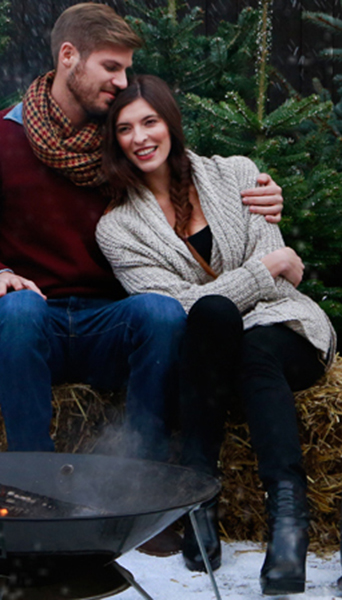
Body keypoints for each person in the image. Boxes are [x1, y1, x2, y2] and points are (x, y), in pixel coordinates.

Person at [0, 2, 284, 463]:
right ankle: (30, 474)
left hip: (111, 322)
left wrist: (257, 190)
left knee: (160, 312)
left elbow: (188, 175)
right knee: (18, 308)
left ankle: (143, 475)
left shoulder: (122, 140)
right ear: (69, 57)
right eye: (111, 67)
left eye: (126, 69)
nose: (122, 82)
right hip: (29, 322)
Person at [96, 74, 335, 595]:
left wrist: (253, 280)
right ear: (115, 141)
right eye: (125, 129)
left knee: (248, 344)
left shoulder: (238, 175)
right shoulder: (117, 228)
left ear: (170, 122)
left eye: (150, 122)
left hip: (283, 327)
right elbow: (176, 306)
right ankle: (221, 508)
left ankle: (274, 519)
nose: (140, 137)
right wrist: (263, 269)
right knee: (212, 316)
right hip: (208, 346)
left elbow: (280, 287)